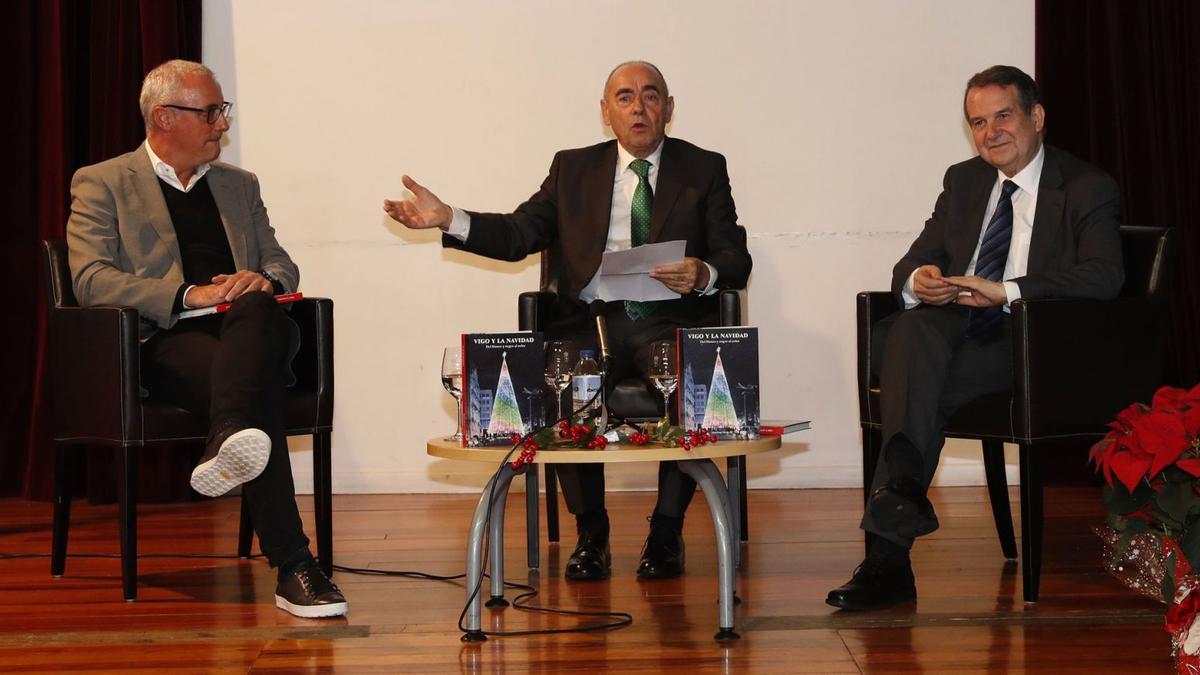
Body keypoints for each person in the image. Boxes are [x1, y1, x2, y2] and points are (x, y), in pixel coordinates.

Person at [384, 61, 752, 581]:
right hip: (588, 321)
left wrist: (704, 272)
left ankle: (666, 532)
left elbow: (736, 259)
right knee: (561, 381)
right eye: (624, 98)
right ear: (607, 113)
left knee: (688, 384)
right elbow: (518, 234)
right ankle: (592, 532)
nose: (638, 108)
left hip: (665, 321)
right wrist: (451, 219)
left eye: (651, 96)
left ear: (669, 109)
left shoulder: (704, 168)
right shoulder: (572, 168)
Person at [825, 65, 1124, 611]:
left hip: (1031, 345)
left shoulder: (1085, 186)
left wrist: (1005, 290)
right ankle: (899, 512)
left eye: (1003, 116)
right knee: (913, 328)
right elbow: (913, 261)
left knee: (915, 378)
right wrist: (923, 282)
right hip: (953, 335)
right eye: (978, 122)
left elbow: (1104, 276)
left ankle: (887, 559)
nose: (990, 133)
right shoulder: (964, 181)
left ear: (1036, 117)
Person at [67, 59, 347, 618]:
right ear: (164, 117)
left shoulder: (240, 186)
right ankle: (294, 565)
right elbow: (90, 278)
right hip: (167, 339)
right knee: (255, 396)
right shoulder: (102, 181)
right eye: (212, 112)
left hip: (253, 329)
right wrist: (189, 295)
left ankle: (229, 442)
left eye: (222, 112)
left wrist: (263, 279)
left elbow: (279, 260)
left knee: (258, 311)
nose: (223, 124)